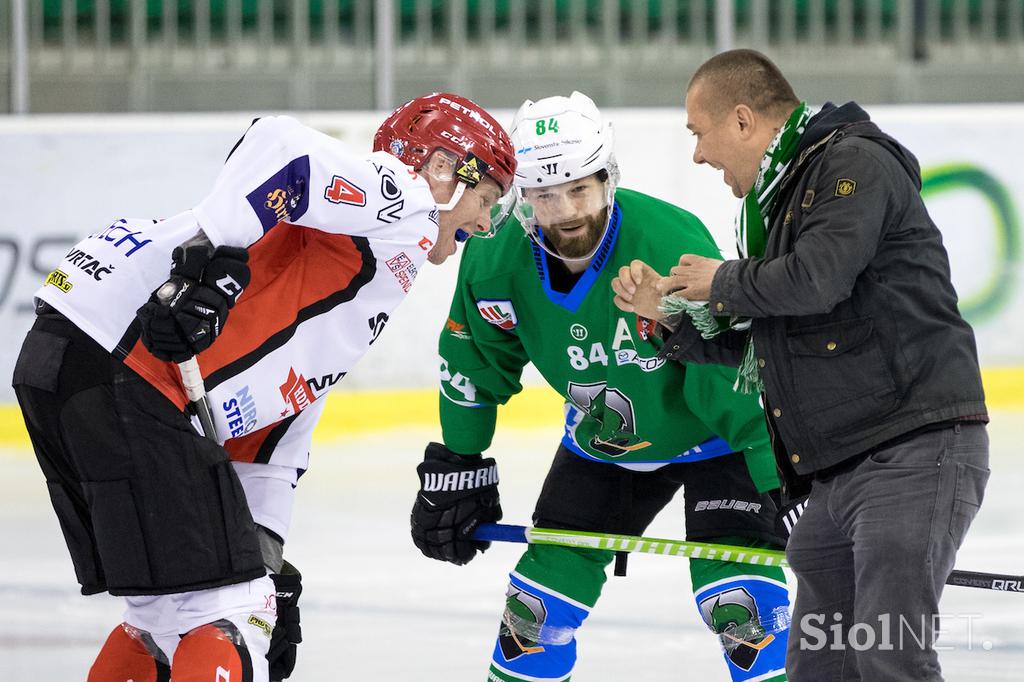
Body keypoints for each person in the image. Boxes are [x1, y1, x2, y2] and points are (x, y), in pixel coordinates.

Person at [12, 92, 515, 682]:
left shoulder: (367, 275)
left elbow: (276, 437)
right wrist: (210, 256)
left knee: (167, 615)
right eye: (485, 200)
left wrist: (264, 557)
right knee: (233, 615)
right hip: (127, 367)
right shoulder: (403, 199)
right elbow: (280, 144)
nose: (485, 223)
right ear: (441, 169)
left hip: (68, 362)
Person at [612, 49, 990, 681]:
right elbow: (771, 344)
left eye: (698, 134)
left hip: (913, 450)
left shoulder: (853, 163)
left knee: (888, 653)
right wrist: (671, 318)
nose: (698, 154)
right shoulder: (775, 207)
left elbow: (818, 281)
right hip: (841, 468)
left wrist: (722, 281)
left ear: (741, 121)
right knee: (818, 663)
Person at [409, 91, 791, 682]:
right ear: (519, 195)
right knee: (531, 622)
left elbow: (727, 372)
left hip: (721, 443)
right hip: (604, 445)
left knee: (745, 616)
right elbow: (474, 361)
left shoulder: (666, 238)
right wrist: (460, 458)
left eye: (578, 190)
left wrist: (779, 476)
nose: (562, 212)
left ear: (607, 180)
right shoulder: (494, 257)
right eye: (543, 194)